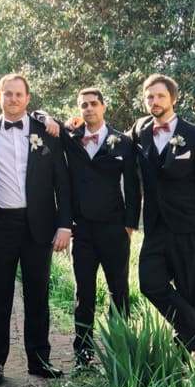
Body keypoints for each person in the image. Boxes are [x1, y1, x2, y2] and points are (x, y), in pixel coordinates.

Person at [0, 73, 71, 384]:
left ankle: (39, 361)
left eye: (19, 95)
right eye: (8, 94)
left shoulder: (46, 130)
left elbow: (62, 182)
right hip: (0, 223)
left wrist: (65, 225)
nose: (13, 100)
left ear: (28, 99)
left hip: (39, 225)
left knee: (38, 294)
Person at [131, 74, 195, 366]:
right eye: (149, 97)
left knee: (188, 295)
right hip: (156, 228)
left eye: (159, 96)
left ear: (173, 98)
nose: (154, 101)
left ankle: (185, 359)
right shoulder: (140, 132)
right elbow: (112, 140)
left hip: (192, 229)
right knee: (150, 283)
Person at [59, 88, 140, 366]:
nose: (89, 108)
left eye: (94, 104)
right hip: (82, 230)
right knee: (84, 293)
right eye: (84, 105)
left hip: (114, 229)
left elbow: (132, 186)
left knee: (119, 290)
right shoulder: (71, 139)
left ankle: (120, 349)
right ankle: (83, 353)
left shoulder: (123, 142)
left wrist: (130, 224)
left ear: (104, 107)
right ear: (79, 109)